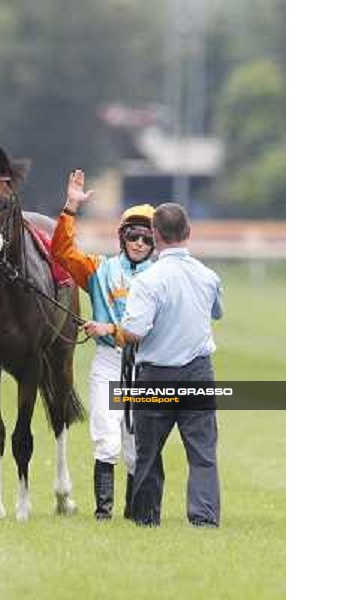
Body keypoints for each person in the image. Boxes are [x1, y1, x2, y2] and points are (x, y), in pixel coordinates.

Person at [50, 169, 155, 520]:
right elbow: (62, 252)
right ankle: (104, 512)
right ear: (122, 236)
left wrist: (109, 326)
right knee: (106, 438)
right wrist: (70, 207)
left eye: (146, 237)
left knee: (136, 445)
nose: (139, 243)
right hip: (110, 362)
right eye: (133, 235)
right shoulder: (99, 269)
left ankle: (134, 511)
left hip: (148, 366)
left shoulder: (164, 277)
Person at [118, 202, 224, 528]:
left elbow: (134, 331)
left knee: (148, 453)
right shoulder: (208, 276)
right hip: (199, 372)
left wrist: (112, 330)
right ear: (188, 233)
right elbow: (217, 312)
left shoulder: (149, 280)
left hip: (156, 373)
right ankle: (204, 519)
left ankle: (147, 518)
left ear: (155, 235)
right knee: (202, 453)